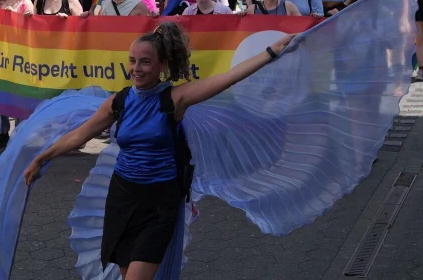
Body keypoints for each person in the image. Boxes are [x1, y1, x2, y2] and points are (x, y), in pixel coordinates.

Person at [23, 22, 297, 280]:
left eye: (145, 62)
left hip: (159, 204)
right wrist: (41, 158)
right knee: (126, 271)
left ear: (162, 65)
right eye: (132, 61)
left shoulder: (175, 99)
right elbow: (80, 134)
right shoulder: (118, 102)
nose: (137, 69)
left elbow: (228, 78)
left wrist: (272, 51)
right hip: (122, 199)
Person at [0, 0, 36, 151]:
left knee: (18, 95)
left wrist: (16, 17)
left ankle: (20, 133)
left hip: (20, 57)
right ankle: (1, 132)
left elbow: (32, 32)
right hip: (2, 55)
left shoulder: (26, 3)